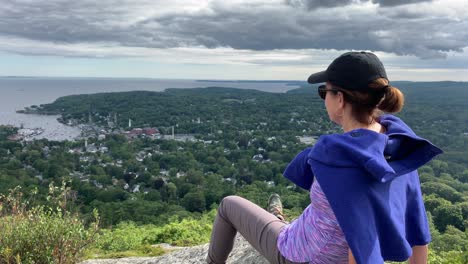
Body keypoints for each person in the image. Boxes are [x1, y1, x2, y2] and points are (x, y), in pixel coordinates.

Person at [206, 51, 442, 264]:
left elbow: (360, 247)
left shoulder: (340, 161)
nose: (324, 98)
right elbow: (418, 234)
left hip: (299, 255)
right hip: (313, 235)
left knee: (229, 204)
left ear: (340, 99)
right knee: (301, 215)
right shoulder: (402, 148)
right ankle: (277, 216)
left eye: (324, 92)